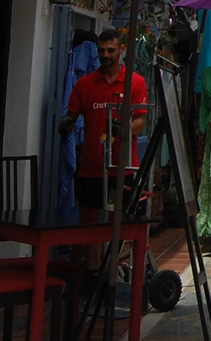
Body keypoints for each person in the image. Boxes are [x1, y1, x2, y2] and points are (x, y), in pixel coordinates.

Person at [57, 30, 148, 213]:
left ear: (122, 49)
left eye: (110, 50)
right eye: (101, 50)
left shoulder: (136, 82)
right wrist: (66, 123)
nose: (105, 55)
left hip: (122, 168)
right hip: (91, 169)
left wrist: (124, 128)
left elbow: (141, 122)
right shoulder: (84, 84)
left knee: (122, 224)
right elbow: (71, 115)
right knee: (91, 227)